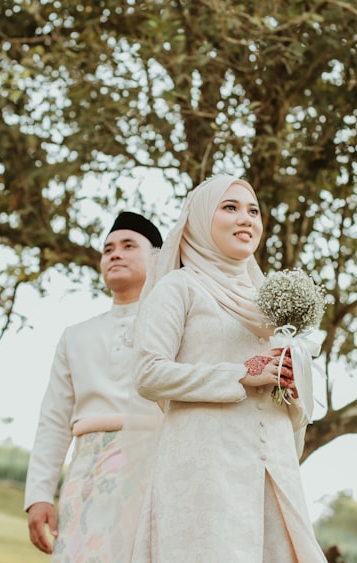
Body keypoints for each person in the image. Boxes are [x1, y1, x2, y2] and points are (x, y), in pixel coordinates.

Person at [127, 175, 327, 562]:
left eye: (253, 211)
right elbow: (148, 373)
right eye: (230, 208)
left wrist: (293, 382)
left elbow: (291, 400)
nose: (246, 219)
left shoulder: (270, 302)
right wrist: (238, 373)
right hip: (205, 470)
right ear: (201, 219)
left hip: (273, 470)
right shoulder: (180, 287)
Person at [24, 211, 163, 561]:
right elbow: (54, 419)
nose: (115, 254)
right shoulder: (76, 336)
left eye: (129, 246)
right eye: (108, 249)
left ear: (158, 258)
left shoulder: (176, 325)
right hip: (85, 473)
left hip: (155, 465)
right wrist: (40, 494)